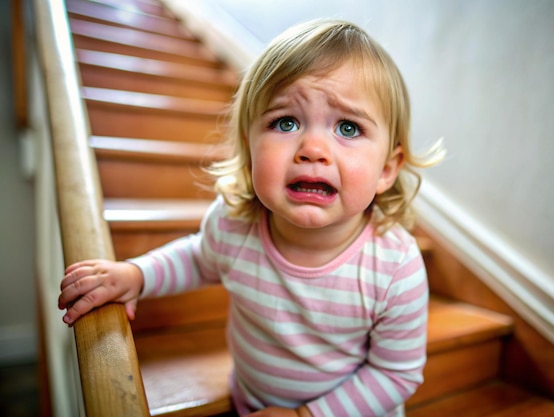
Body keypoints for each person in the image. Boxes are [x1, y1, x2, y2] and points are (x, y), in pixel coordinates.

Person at [58, 19, 445, 417]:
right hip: (251, 403)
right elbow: (197, 259)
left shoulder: (395, 267)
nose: (313, 148)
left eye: (348, 127)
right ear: (250, 145)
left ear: (387, 168)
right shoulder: (233, 223)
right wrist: (137, 275)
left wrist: (306, 416)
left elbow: (395, 374)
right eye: (285, 122)